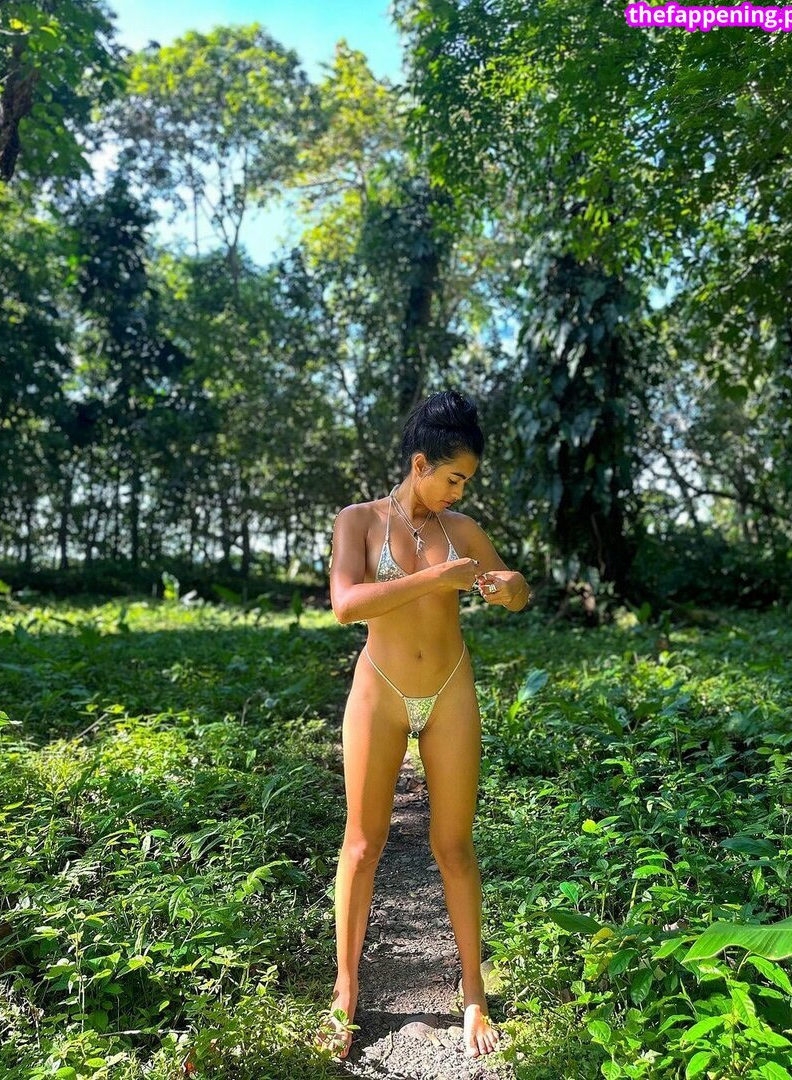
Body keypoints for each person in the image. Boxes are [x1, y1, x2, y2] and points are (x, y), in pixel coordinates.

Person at [314, 389, 530, 1061]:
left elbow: (516, 588)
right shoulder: (358, 521)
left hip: (448, 690)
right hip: (378, 691)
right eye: (453, 478)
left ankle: (474, 994)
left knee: (454, 847)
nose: (459, 492)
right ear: (419, 464)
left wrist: (509, 588)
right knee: (361, 844)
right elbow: (346, 604)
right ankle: (346, 991)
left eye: (466, 482)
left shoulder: (461, 531)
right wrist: (436, 580)